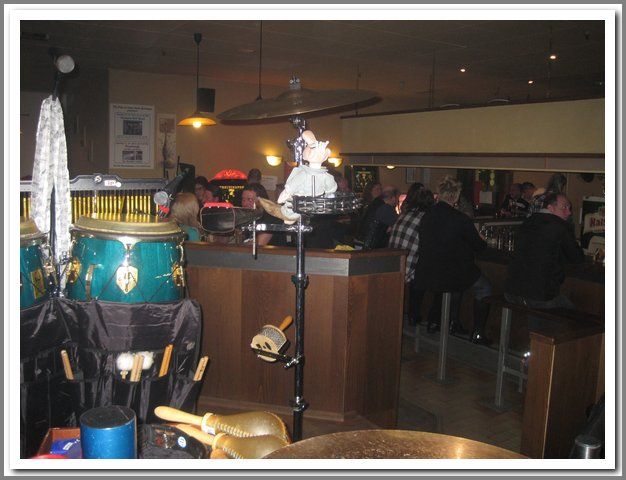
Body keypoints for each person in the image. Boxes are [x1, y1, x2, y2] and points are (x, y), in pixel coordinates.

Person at [413, 176, 493, 344]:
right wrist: (481, 239)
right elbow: (479, 246)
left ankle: (452, 322)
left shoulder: (427, 216)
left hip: (426, 272)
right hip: (452, 273)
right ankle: (477, 333)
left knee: (456, 284)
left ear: (439, 194)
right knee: (484, 287)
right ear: (456, 196)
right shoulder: (461, 219)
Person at [504, 193, 584, 316]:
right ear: (550, 208)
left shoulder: (528, 221)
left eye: (569, 208)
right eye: (564, 208)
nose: (569, 213)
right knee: (574, 316)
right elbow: (577, 258)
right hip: (539, 295)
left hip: (511, 292)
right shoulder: (561, 226)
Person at [388, 184, 435, 325]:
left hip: (393, 265)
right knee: (430, 271)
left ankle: (411, 315)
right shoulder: (426, 219)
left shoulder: (404, 215)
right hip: (408, 269)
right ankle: (418, 316)